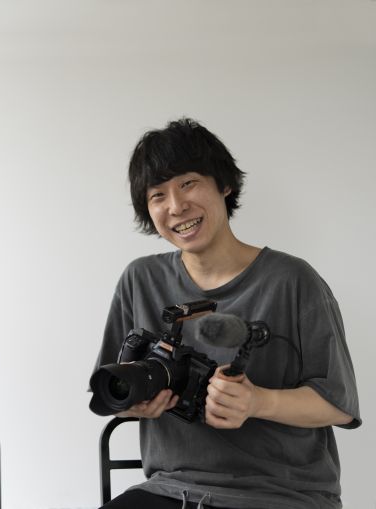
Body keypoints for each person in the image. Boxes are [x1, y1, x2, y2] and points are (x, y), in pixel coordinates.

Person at [92, 118, 360, 509]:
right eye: (157, 195)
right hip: (171, 488)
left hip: (281, 495)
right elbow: (109, 388)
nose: (176, 206)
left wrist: (257, 402)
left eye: (188, 183)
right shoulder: (141, 279)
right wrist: (135, 403)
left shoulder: (292, 279)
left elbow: (339, 404)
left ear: (224, 184)